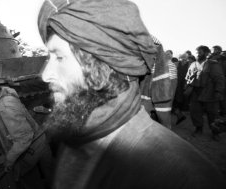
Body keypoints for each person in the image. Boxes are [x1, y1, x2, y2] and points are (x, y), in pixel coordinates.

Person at [37, 0, 226, 189]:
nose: (45, 75)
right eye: (48, 58)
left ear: (103, 66)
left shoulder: (185, 178)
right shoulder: (74, 136)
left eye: (59, 57)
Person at [185, 45, 225, 139]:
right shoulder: (193, 64)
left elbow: (219, 79)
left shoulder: (213, 64)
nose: (198, 54)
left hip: (210, 93)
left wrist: (218, 91)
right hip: (196, 92)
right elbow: (187, 77)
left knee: (213, 114)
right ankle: (199, 128)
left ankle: (215, 132)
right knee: (195, 111)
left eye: (200, 52)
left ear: (207, 53)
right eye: (197, 52)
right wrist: (187, 86)